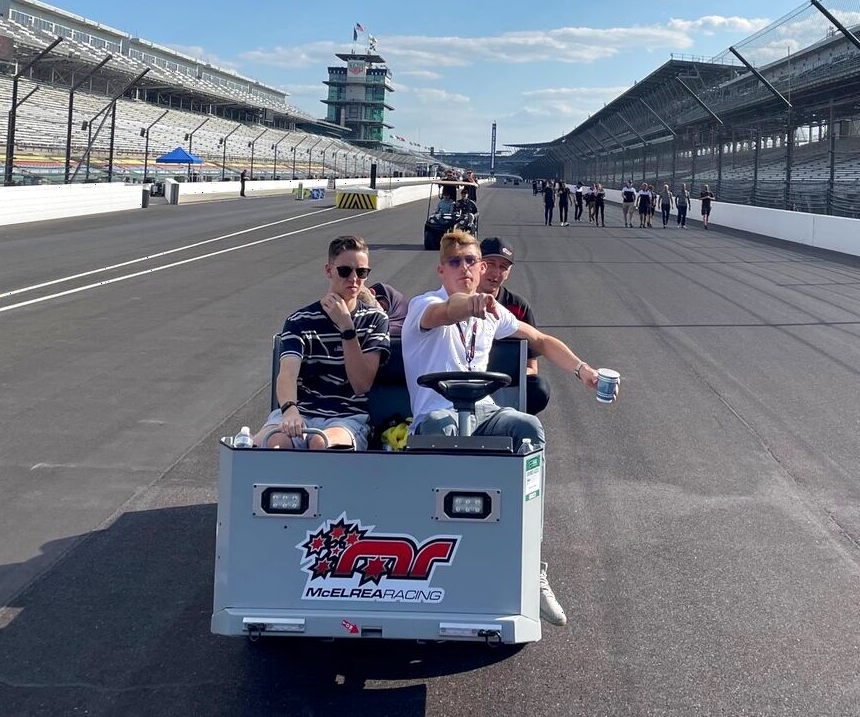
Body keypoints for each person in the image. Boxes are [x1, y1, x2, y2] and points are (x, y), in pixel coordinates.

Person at [402, 229, 615, 627]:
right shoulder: (424, 306)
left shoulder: (493, 314)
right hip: (438, 414)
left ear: (481, 267)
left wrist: (584, 370)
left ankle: (532, 563)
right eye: (454, 262)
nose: (464, 268)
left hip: (483, 412)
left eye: (471, 261)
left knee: (527, 428)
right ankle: (431, 560)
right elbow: (447, 312)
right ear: (441, 270)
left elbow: (541, 340)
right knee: (440, 429)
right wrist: (471, 304)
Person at [255, 236, 390, 450]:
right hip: (300, 413)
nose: (354, 279)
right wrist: (290, 410)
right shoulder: (300, 321)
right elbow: (287, 373)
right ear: (329, 270)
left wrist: (347, 327)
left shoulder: (375, 320)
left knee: (322, 443)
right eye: (345, 271)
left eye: (362, 272)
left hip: (346, 418)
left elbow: (361, 384)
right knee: (275, 443)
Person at [478, 237, 551, 415]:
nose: (496, 273)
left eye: (503, 267)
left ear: (509, 272)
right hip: (467, 378)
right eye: (490, 264)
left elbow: (532, 366)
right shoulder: (456, 303)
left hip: (506, 381)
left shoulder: (517, 306)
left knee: (539, 389)